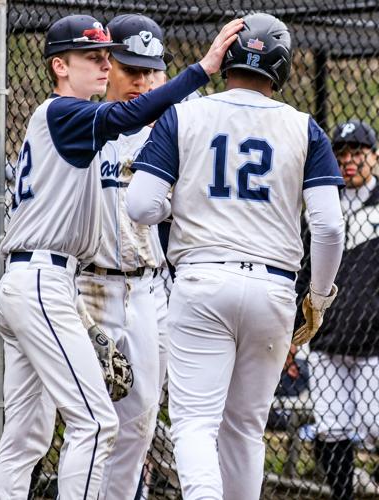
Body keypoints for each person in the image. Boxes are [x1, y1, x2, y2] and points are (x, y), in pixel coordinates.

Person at [0, 13, 243, 499]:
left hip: (54, 282)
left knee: (27, 436)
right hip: (51, 281)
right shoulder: (66, 115)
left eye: (110, 56)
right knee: (96, 422)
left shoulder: (76, 120)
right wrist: (204, 67)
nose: (107, 66)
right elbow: (124, 117)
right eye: (95, 57)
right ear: (59, 65)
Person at [126, 12, 345, 500]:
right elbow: (329, 227)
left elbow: (141, 205)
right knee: (245, 427)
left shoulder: (185, 114)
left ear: (226, 60)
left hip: (202, 281)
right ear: (282, 68)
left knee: (195, 423)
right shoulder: (303, 126)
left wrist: (177, 204)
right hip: (274, 287)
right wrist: (320, 297)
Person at [76, 13, 174, 499]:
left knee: (139, 421)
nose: (142, 82)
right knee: (91, 422)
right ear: (106, 65)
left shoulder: (172, 133)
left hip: (149, 286)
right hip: (88, 285)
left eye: (152, 72)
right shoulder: (80, 123)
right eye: (131, 68)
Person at [300, 119, 379, 500]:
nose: (349, 161)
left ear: (374, 157)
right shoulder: (322, 202)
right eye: (342, 153)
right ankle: (342, 495)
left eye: (357, 153)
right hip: (326, 339)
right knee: (332, 427)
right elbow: (303, 269)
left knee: (374, 422)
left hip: (373, 343)